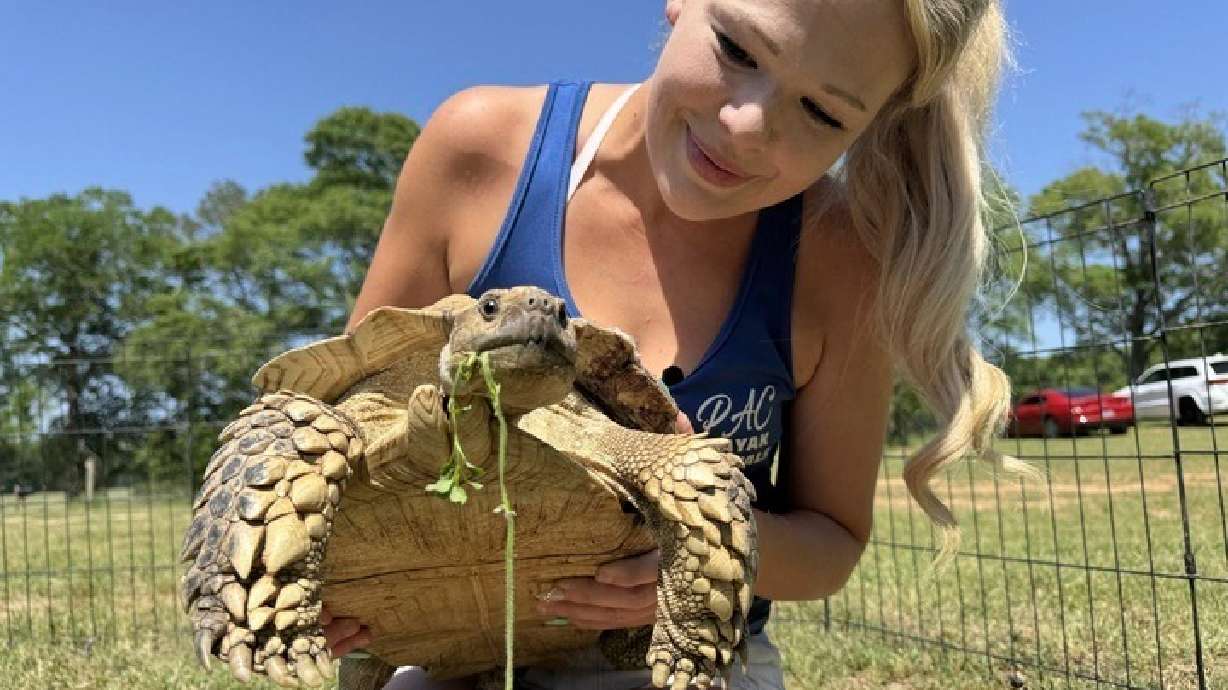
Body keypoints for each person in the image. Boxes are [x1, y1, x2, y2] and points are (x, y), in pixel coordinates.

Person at [325, 0, 1029, 687]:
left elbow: (832, 543)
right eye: (739, 50)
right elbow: (342, 425)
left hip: (686, 659)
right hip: (452, 644)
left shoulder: (839, 261)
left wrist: (691, 539)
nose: (747, 125)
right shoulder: (481, 150)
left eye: (822, 112)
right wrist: (317, 569)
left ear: (875, 121)